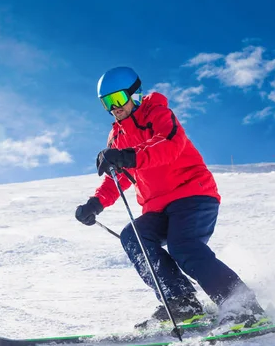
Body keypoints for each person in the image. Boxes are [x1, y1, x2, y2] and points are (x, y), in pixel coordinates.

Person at [75, 66, 265, 330]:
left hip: (193, 195)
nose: (113, 108)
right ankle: (181, 303)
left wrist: (128, 156)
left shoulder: (157, 114)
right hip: (157, 208)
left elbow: (169, 145)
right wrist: (95, 204)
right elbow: (119, 177)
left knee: (183, 245)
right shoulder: (116, 136)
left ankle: (244, 307)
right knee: (134, 237)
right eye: (106, 103)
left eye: (118, 99)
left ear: (135, 94)